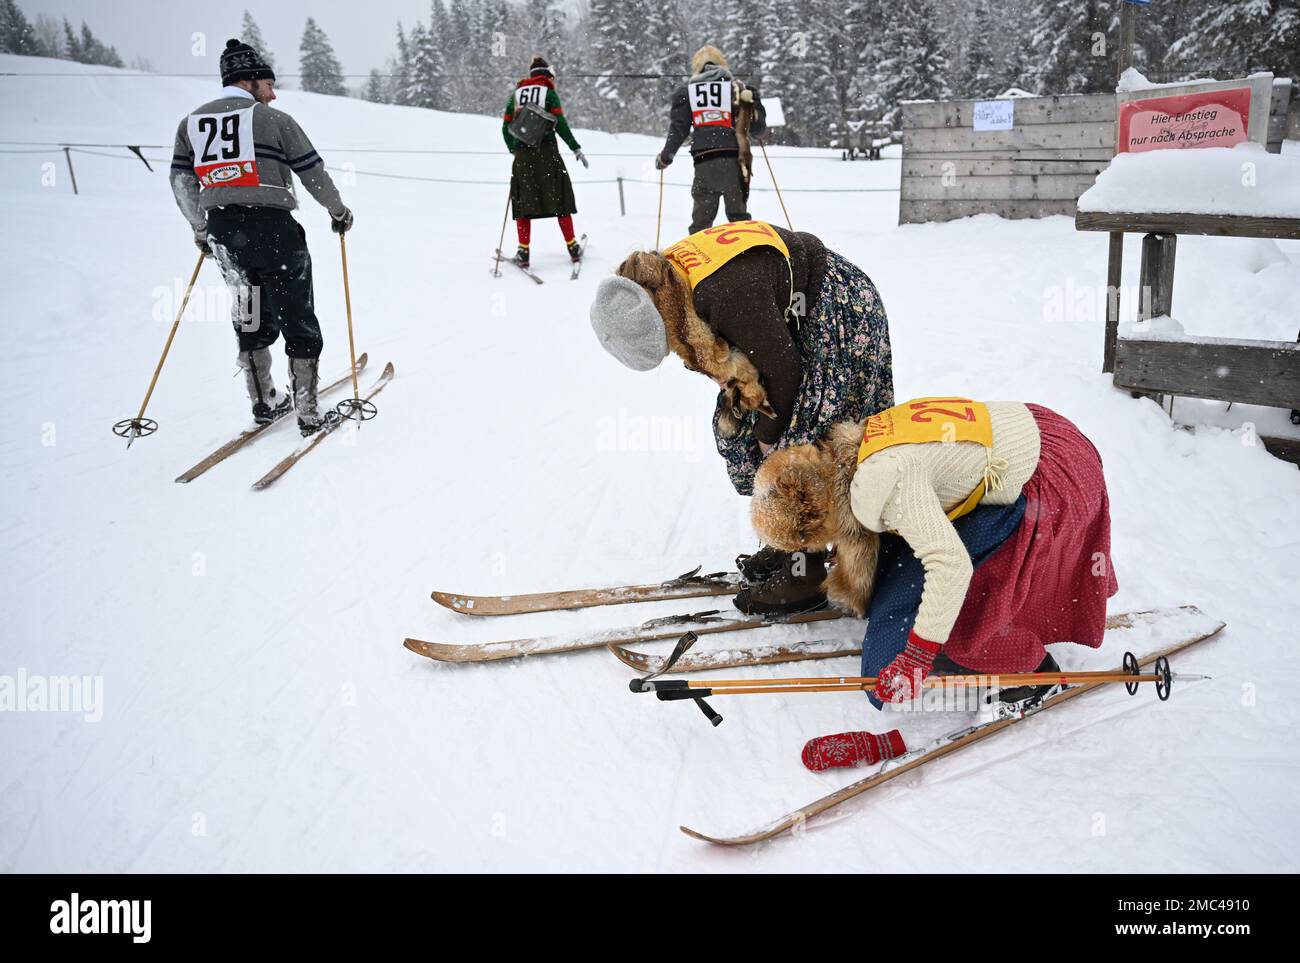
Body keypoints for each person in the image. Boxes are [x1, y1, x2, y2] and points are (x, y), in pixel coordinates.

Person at [749, 396, 1119, 764]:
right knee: (912, 573)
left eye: (812, 543)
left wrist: (918, 652)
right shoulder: (856, 450)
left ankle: (1035, 672)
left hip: (1053, 478)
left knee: (961, 621)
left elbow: (950, 565)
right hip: (1047, 430)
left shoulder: (884, 481)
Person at [589, 219, 893, 614]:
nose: (671, 352)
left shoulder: (724, 295)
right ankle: (788, 542)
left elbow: (784, 373)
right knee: (735, 428)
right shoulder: (666, 282)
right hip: (792, 320)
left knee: (799, 442)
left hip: (838, 309)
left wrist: (769, 435)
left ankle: (805, 571)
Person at [169, 38, 352, 436]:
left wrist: (201, 229)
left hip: (224, 232)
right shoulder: (273, 120)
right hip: (273, 229)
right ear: (249, 81)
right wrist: (338, 211)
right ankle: (307, 411)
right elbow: (312, 172)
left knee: (248, 312)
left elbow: (181, 181)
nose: (273, 92)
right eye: (268, 84)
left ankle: (263, 401)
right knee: (296, 314)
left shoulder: (191, 123)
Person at [656, 45, 765, 234]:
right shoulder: (739, 89)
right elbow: (757, 128)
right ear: (723, 63)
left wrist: (666, 157)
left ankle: (699, 258)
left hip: (703, 161)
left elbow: (679, 129)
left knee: (701, 224)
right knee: (739, 220)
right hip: (734, 161)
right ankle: (744, 257)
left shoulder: (687, 92)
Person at [502, 56, 587, 270]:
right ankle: (573, 247)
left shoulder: (517, 95)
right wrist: (575, 147)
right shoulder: (548, 93)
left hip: (523, 157)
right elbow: (561, 125)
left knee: (524, 203)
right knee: (560, 199)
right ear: (547, 76)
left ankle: (523, 252)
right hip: (547, 154)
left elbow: (505, 127)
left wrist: (515, 149)